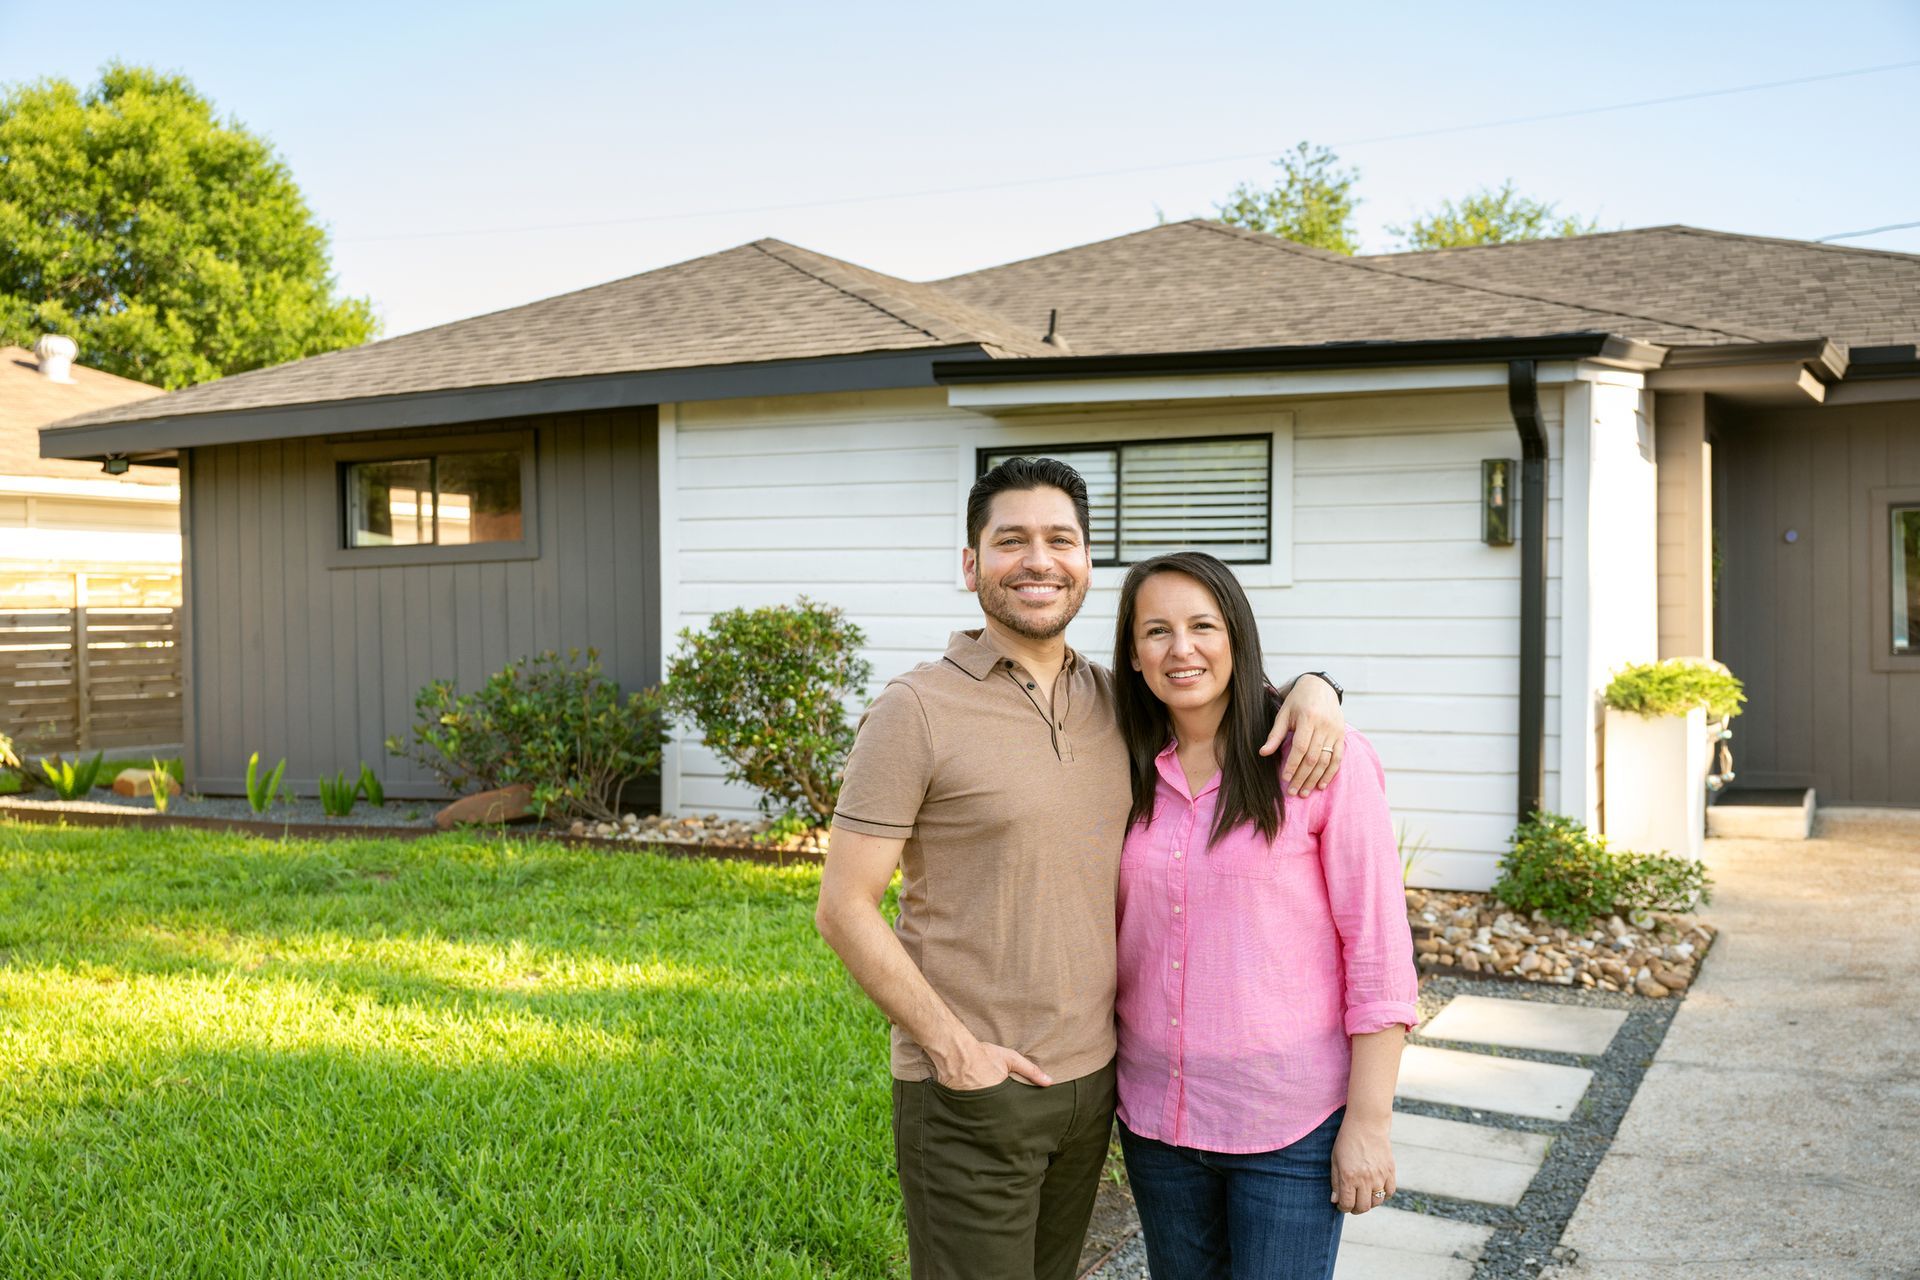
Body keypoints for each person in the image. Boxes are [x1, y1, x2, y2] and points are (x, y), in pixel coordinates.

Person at [814, 458, 1349, 1280]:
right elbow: (843, 907)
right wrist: (953, 1051)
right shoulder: (914, 710)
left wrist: (1318, 686)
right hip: (972, 1088)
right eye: (1011, 541)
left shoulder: (1118, 703)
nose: (1039, 560)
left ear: (1086, 562)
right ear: (971, 564)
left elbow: (1219, 684)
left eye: (1060, 539)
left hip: (1097, 1087)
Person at [1110, 551, 1418, 1280]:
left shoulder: (1322, 764)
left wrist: (1368, 1124)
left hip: (1289, 1125)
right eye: (1156, 631)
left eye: (1202, 626)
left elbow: (1376, 953)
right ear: (1132, 653)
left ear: (1237, 635)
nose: (1181, 649)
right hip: (1158, 1122)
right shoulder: (1120, 767)